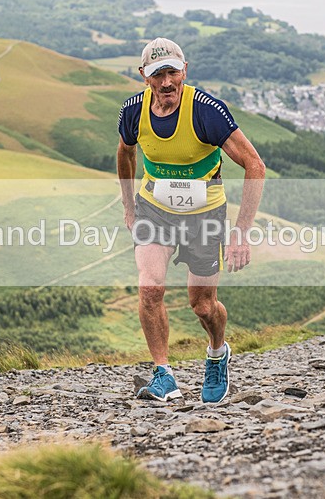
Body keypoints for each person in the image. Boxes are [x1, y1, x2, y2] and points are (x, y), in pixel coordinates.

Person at [116, 37, 265, 403]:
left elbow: (255, 165)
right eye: (157, 74)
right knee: (150, 289)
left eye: (172, 72)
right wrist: (129, 207)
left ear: (185, 70)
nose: (166, 82)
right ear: (144, 77)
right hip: (155, 208)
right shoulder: (134, 111)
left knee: (202, 305)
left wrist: (241, 233)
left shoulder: (206, 111)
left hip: (203, 214)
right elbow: (124, 153)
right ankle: (163, 374)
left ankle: (217, 353)